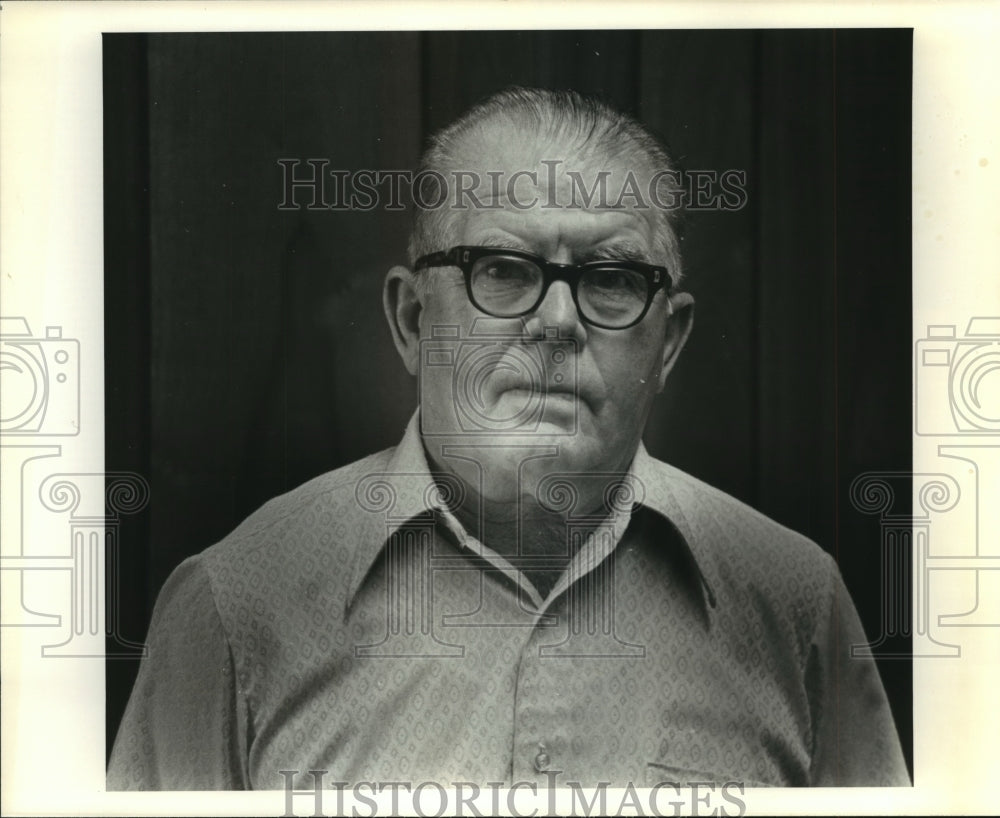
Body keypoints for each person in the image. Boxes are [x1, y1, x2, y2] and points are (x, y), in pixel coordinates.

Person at [108, 87, 909, 790]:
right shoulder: (237, 604)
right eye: (501, 269)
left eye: (612, 279)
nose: (556, 324)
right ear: (413, 320)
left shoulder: (796, 604)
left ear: (668, 344)